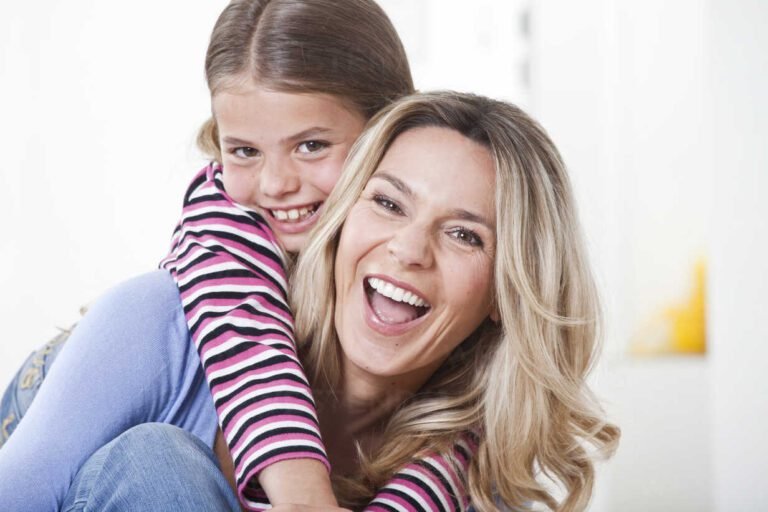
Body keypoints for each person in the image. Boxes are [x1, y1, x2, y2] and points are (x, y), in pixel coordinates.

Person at [59, 92, 620, 511]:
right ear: (341, 214)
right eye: (388, 203)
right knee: (158, 462)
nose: (408, 250)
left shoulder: (461, 479)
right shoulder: (167, 324)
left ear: (506, 291)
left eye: (465, 235)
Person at [0, 0, 414, 510]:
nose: (277, 184)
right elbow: (22, 486)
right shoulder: (203, 265)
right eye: (244, 151)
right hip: (55, 427)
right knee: (159, 459)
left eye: (310, 146)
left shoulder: (421, 309)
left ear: (390, 132)